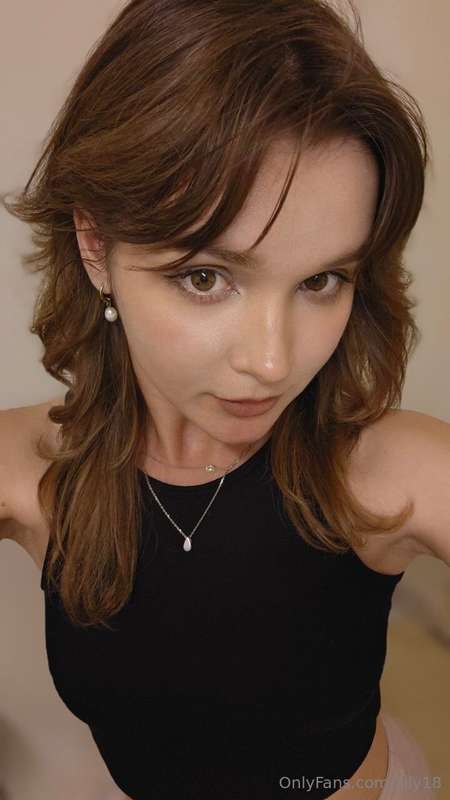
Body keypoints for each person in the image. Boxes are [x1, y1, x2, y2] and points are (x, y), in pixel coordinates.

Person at [0, 0, 444, 798]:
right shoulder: (28, 469)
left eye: (321, 280)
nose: (272, 362)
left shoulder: (388, 473)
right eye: (206, 277)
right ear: (95, 245)